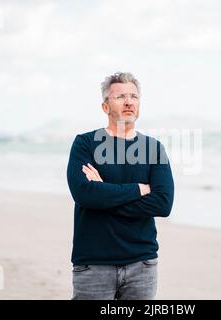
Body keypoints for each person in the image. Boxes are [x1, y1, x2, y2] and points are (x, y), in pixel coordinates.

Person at [66, 72, 175, 300]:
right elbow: (84, 194)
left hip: (142, 263)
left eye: (133, 96)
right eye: (120, 97)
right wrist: (138, 189)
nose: (128, 102)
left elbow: (163, 204)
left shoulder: (153, 148)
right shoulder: (85, 143)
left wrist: (104, 195)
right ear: (105, 106)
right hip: (94, 263)